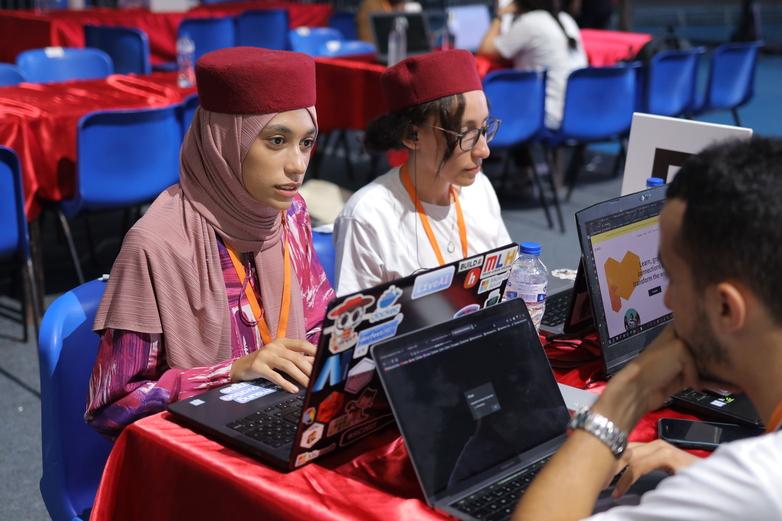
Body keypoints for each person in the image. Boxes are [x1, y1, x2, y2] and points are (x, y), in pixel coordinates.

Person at [513, 137, 782, 520]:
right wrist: (703, 473)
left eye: (673, 279)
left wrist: (625, 395)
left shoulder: (757, 483)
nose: (667, 302)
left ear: (726, 307)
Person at [85, 47, 334, 437]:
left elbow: (319, 322)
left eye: (306, 143)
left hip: (282, 416)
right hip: (196, 446)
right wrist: (231, 373)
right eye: (276, 140)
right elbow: (114, 406)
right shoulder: (156, 244)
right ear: (224, 141)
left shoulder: (290, 213)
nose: (297, 165)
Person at [333, 50, 512, 296]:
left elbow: (507, 281)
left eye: (484, 129)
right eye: (465, 135)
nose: (484, 150)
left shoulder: (480, 188)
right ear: (412, 136)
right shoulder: (368, 217)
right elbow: (355, 328)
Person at [477, 0, 587, 129]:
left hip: (549, 115)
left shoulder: (530, 23)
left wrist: (500, 16)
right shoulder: (567, 19)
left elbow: (485, 50)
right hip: (578, 113)